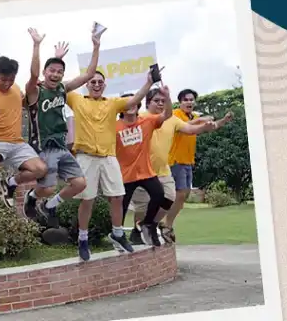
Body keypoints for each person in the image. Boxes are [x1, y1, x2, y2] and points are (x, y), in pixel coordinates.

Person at [66, 67, 155, 260]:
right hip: (86, 156)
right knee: (87, 200)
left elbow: (133, 100)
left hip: (108, 156)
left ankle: (117, 233)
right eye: (93, 82)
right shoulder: (76, 100)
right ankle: (83, 239)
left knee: (117, 197)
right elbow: (61, 88)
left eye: (100, 82)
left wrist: (148, 82)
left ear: (104, 85)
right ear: (86, 84)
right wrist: (63, 61)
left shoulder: (113, 104)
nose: (96, 85)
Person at [129, 86, 229, 244]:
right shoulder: (140, 117)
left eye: (163, 101)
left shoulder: (172, 120)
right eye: (157, 101)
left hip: (162, 170)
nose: (160, 103)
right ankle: (137, 231)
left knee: (170, 197)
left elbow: (190, 129)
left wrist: (204, 127)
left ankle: (151, 224)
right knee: (142, 207)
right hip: (141, 171)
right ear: (148, 103)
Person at [22, 25, 101, 224]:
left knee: (80, 183)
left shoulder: (62, 89)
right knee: (47, 188)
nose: (56, 74)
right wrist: (37, 45)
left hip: (61, 146)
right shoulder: (35, 92)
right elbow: (33, 76)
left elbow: (89, 74)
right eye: (51, 71)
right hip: (44, 146)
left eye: (60, 72)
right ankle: (31, 197)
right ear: (44, 72)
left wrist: (96, 46)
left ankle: (49, 206)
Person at [0, 55, 47, 209]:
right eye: (3, 79)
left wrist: (36, 88)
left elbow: (27, 101)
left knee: (41, 170)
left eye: (11, 79)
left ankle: (10, 183)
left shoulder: (16, 89)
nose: (7, 83)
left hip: (17, 143)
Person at [162, 87, 230, 239]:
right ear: (179, 102)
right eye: (186, 99)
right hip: (175, 160)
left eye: (191, 99)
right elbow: (186, 127)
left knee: (183, 195)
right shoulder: (175, 115)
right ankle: (165, 225)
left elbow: (209, 127)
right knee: (179, 194)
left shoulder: (192, 116)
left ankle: (166, 224)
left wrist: (223, 121)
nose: (189, 102)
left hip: (187, 161)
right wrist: (200, 120)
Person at [116, 85, 174, 246]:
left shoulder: (147, 121)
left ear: (138, 107)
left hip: (146, 172)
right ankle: (117, 235)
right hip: (126, 175)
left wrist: (167, 97)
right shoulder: (114, 127)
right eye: (126, 104)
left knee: (159, 195)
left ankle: (148, 224)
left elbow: (167, 114)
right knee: (121, 207)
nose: (130, 106)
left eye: (134, 103)